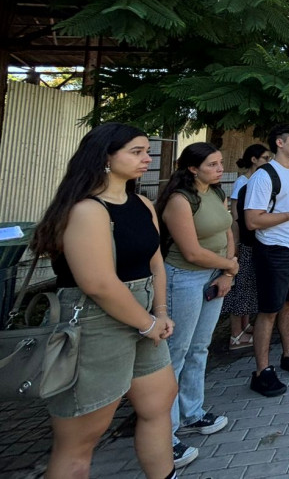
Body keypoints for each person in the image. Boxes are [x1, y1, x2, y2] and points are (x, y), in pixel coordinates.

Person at [31, 123, 178, 479]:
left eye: (147, 150)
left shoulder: (142, 203)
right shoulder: (86, 210)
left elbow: (155, 261)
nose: (147, 158)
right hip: (96, 324)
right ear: (105, 158)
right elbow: (98, 283)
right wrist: (147, 323)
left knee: (158, 403)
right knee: (81, 438)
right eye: (136, 151)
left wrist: (159, 312)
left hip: (144, 316)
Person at [156, 143, 236, 467]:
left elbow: (228, 230)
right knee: (176, 352)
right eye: (212, 164)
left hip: (216, 275)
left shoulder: (216, 193)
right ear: (192, 168)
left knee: (199, 347)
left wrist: (228, 268)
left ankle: (193, 412)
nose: (219, 168)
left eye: (219, 162)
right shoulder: (179, 201)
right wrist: (229, 266)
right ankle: (165, 433)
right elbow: (190, 251)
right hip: (185, 280)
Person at [243, 124, 289, 398]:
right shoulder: (264, 176)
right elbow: (252, 220)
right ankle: (262, 371)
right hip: (275, 250)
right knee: (269, 310)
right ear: (279, 142)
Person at [223, 144, 270, 350]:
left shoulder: (259, 180)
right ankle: (236, 334)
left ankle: (245, 325)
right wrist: (236, 244)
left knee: (249, 286)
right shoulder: (243, 182)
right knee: (241, 287)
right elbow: (235, 217)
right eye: (265, 158)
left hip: (254, 241)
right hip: (244, 241)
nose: (268, 162)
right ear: (253, 159)